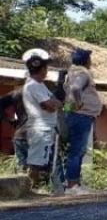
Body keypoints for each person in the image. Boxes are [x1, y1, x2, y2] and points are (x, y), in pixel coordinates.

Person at [20, 49, 61, 190]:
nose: (47, 71)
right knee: (36, 162)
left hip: (46, 128)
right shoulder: (33, 86)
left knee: (42, 161)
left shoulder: (40, 85)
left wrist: (55, 103)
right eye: (46, 68)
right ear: (42, 69)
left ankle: (35, 189)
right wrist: (54, 103)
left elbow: (56, 103)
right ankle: (32, 189)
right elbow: (50, 105)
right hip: (40, 128)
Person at [63, 48, 102, 195]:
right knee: (77, 150)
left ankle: (74, 183)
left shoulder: (71, 73)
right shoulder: (82, 73)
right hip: (81, 116)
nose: (91, 61)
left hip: (76, 115)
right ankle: (72, 185)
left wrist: (70, 110)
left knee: (77, 150)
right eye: (89, 59)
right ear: (85, 60)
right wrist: (79, 103)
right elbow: (75, 89)